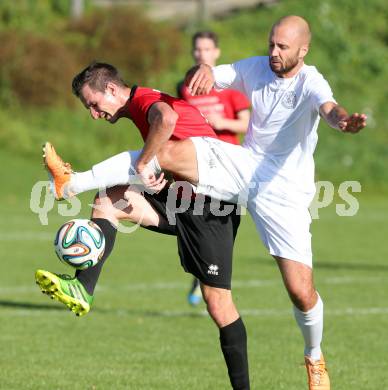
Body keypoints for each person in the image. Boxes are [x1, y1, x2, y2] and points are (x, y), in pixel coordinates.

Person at [41, 16, 367, 389]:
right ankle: (83, 287)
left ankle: (314, 356)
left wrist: (342, 122)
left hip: (268, 192)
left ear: (303, 50)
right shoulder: (257, 66)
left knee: (296, 291)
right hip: (237, 170)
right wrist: (205, 67)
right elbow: (216, 72)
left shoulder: (311, 81)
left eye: (282, 47)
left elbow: (328, 108)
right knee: (109, 201)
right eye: (271, 43)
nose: (273, 52)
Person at [36, 63, 250, 390]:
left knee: (218, 304)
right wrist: (148, 169)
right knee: (108, 200)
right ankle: (82, 288)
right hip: (181, 195)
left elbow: (167, 120)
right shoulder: (140, 106)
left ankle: (72, 181)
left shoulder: (145, 100)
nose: (94, 114)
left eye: (94, 104)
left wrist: (143, 163)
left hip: (211, 205)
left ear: (111, 89)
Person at [177, 30, 250, 305]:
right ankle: (203, 275)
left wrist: (221, 122)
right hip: (197, 166)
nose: (201, 54)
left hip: (229, 168)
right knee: (198, 222)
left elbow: (246, 124)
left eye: (206, 49)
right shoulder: (185, 87)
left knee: (225, 226)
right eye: (197, 50)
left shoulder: (231, 88)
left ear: (216, 53)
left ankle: (206, 276)